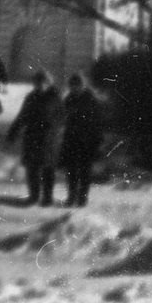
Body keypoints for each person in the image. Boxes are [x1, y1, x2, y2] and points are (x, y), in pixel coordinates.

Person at [6, 70, 65, 206]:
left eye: (43, 83)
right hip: (32, 137)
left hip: (49, 139)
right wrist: (12, 133)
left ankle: (47, 197)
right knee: (32, 169)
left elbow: (62, 117)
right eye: (37, 83)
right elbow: (22, 116)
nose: (39, 85)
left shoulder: (55, 98)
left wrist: (52, 126)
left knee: (47, 169)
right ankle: (34, 196)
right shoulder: (31, 97)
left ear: (49, 83)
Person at [59, 72, 106, 208]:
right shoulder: (68, 100)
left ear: (82, 85)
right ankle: (71, 196)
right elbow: (64, 118)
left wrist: (98, 140)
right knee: (71, 171)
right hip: (71, 140)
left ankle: (82, 198)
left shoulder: (92, 100)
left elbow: (98, 122)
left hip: (88, 141)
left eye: (77, 85)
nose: (75, 88)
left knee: (85, 171)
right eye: (72, 86)